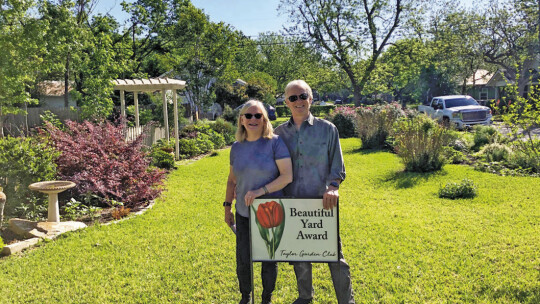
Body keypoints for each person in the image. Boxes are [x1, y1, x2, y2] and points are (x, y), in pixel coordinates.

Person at [275, 80, 355, 304]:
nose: (298, 101)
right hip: (292, 204)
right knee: (299, 254)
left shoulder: (328, 129)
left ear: (311, 99)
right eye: (293, 98)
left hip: (322, 204)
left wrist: (333, 187)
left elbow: (337, 165)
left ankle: (346, 301)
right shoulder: (278, 134)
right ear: (286, 103)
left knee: (334, 256)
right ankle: (305, 297)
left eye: (302, 96)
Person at [224, 100, 293, 304]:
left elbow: (287, 176)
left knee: (268, 259)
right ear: (241, 120)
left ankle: (266, 298)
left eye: (258, 116)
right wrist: (227, 207)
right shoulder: (236, 147)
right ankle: (245, 297)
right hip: (244, 212)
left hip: (270, 211)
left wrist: (260, 191)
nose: (253, 119)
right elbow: (231, 180)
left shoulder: (275, 142)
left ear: (265, 120)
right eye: (248, 115)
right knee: (243, 259)